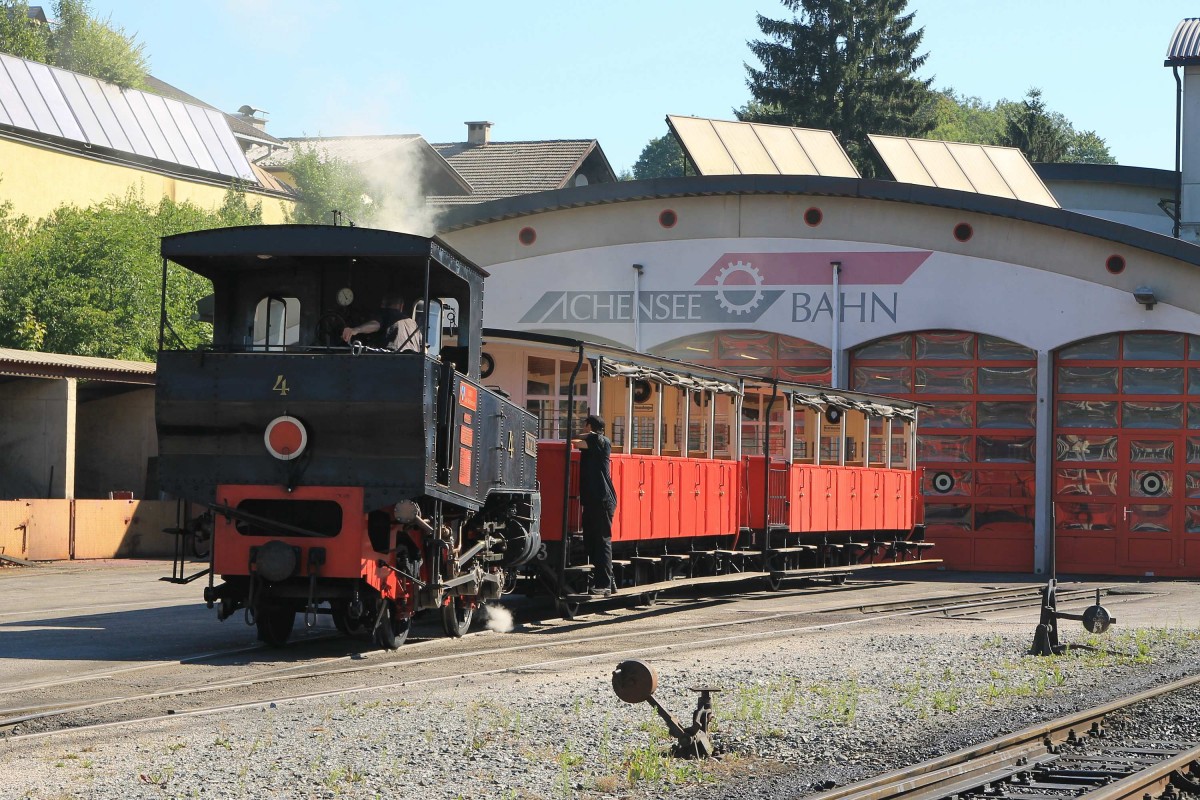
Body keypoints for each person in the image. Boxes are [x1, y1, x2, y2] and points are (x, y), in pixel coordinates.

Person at [572, 413, 617, 596]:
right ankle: (609, 583)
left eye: (585, 425)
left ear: (590, 426)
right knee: (592, 541)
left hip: (602, 498)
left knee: (602, 541)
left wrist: (584, 434)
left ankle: (604, 584)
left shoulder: (600, 441)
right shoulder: (595, 442)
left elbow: (576, 441)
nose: (582, 429)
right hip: (593, 499)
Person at [341, 293, 423, 352]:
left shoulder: (384, 313)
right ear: (401, 306)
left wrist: (355, 330)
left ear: (383, 304)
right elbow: (424, 347)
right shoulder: (413, 323)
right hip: (413, 362)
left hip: (391, 359)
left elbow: (375, 324)